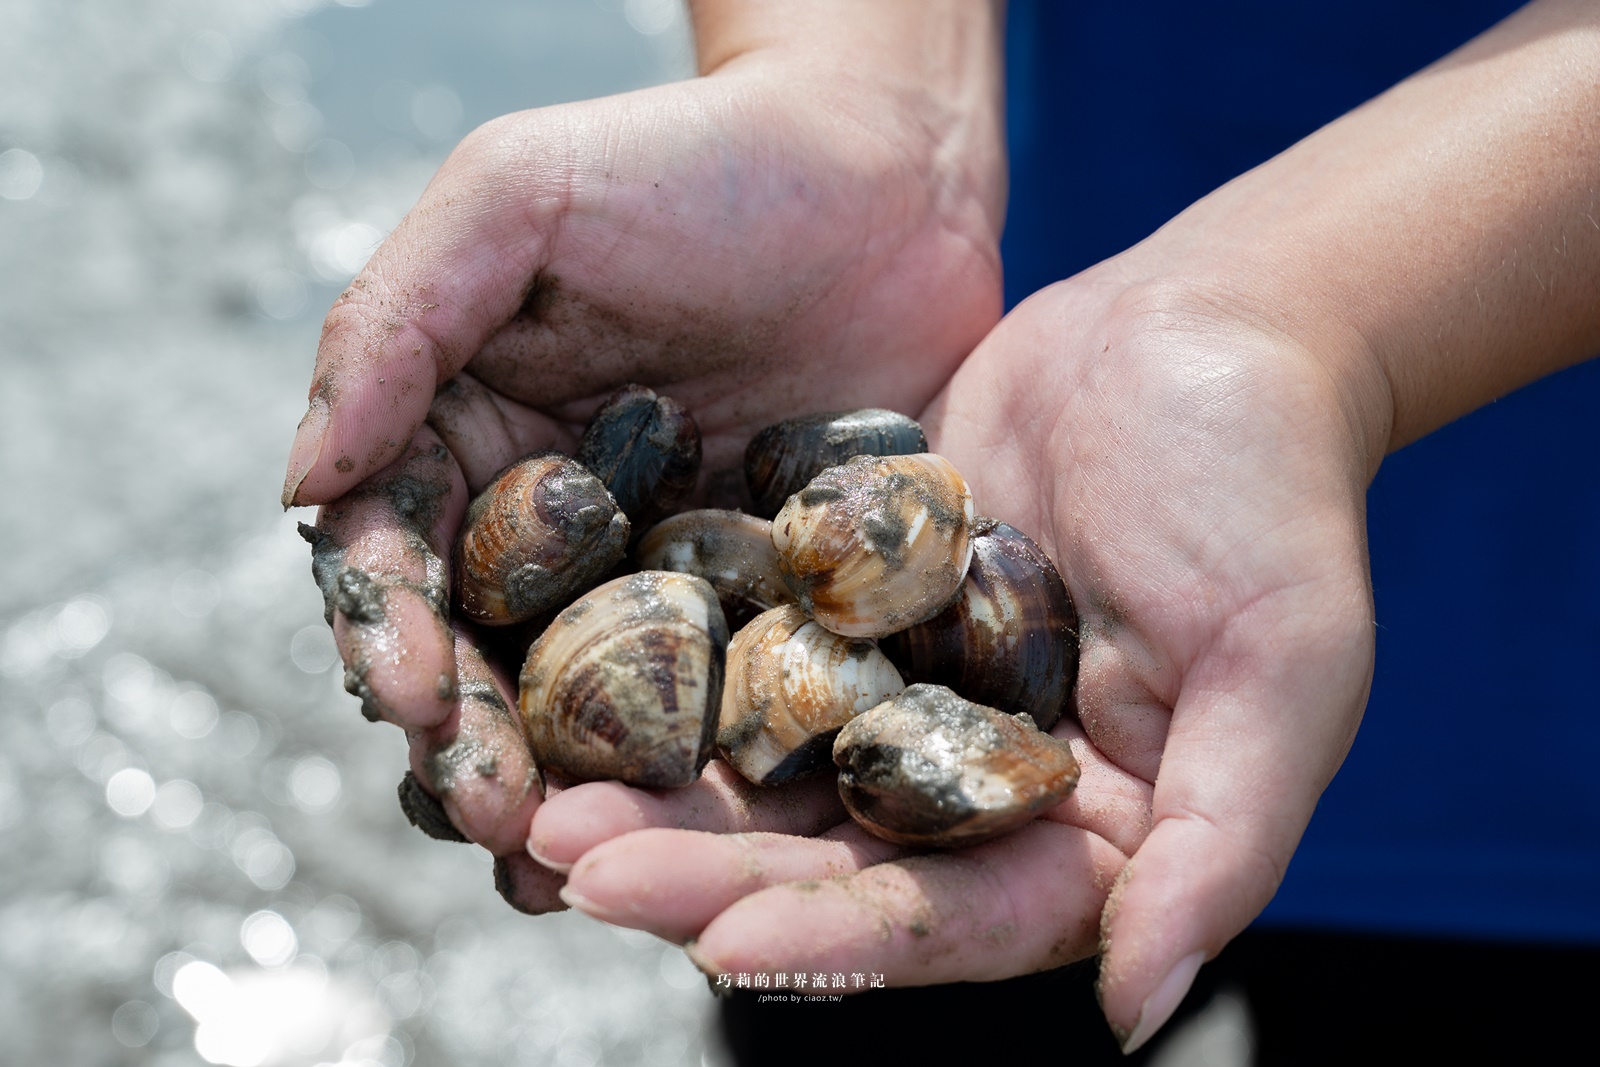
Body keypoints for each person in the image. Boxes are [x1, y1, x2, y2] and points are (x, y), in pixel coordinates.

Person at [282, 0, 1600, 1058]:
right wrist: (859, 99)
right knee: (836, 959)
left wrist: (1313, 317)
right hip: (985, 367)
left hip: (1553, 745)